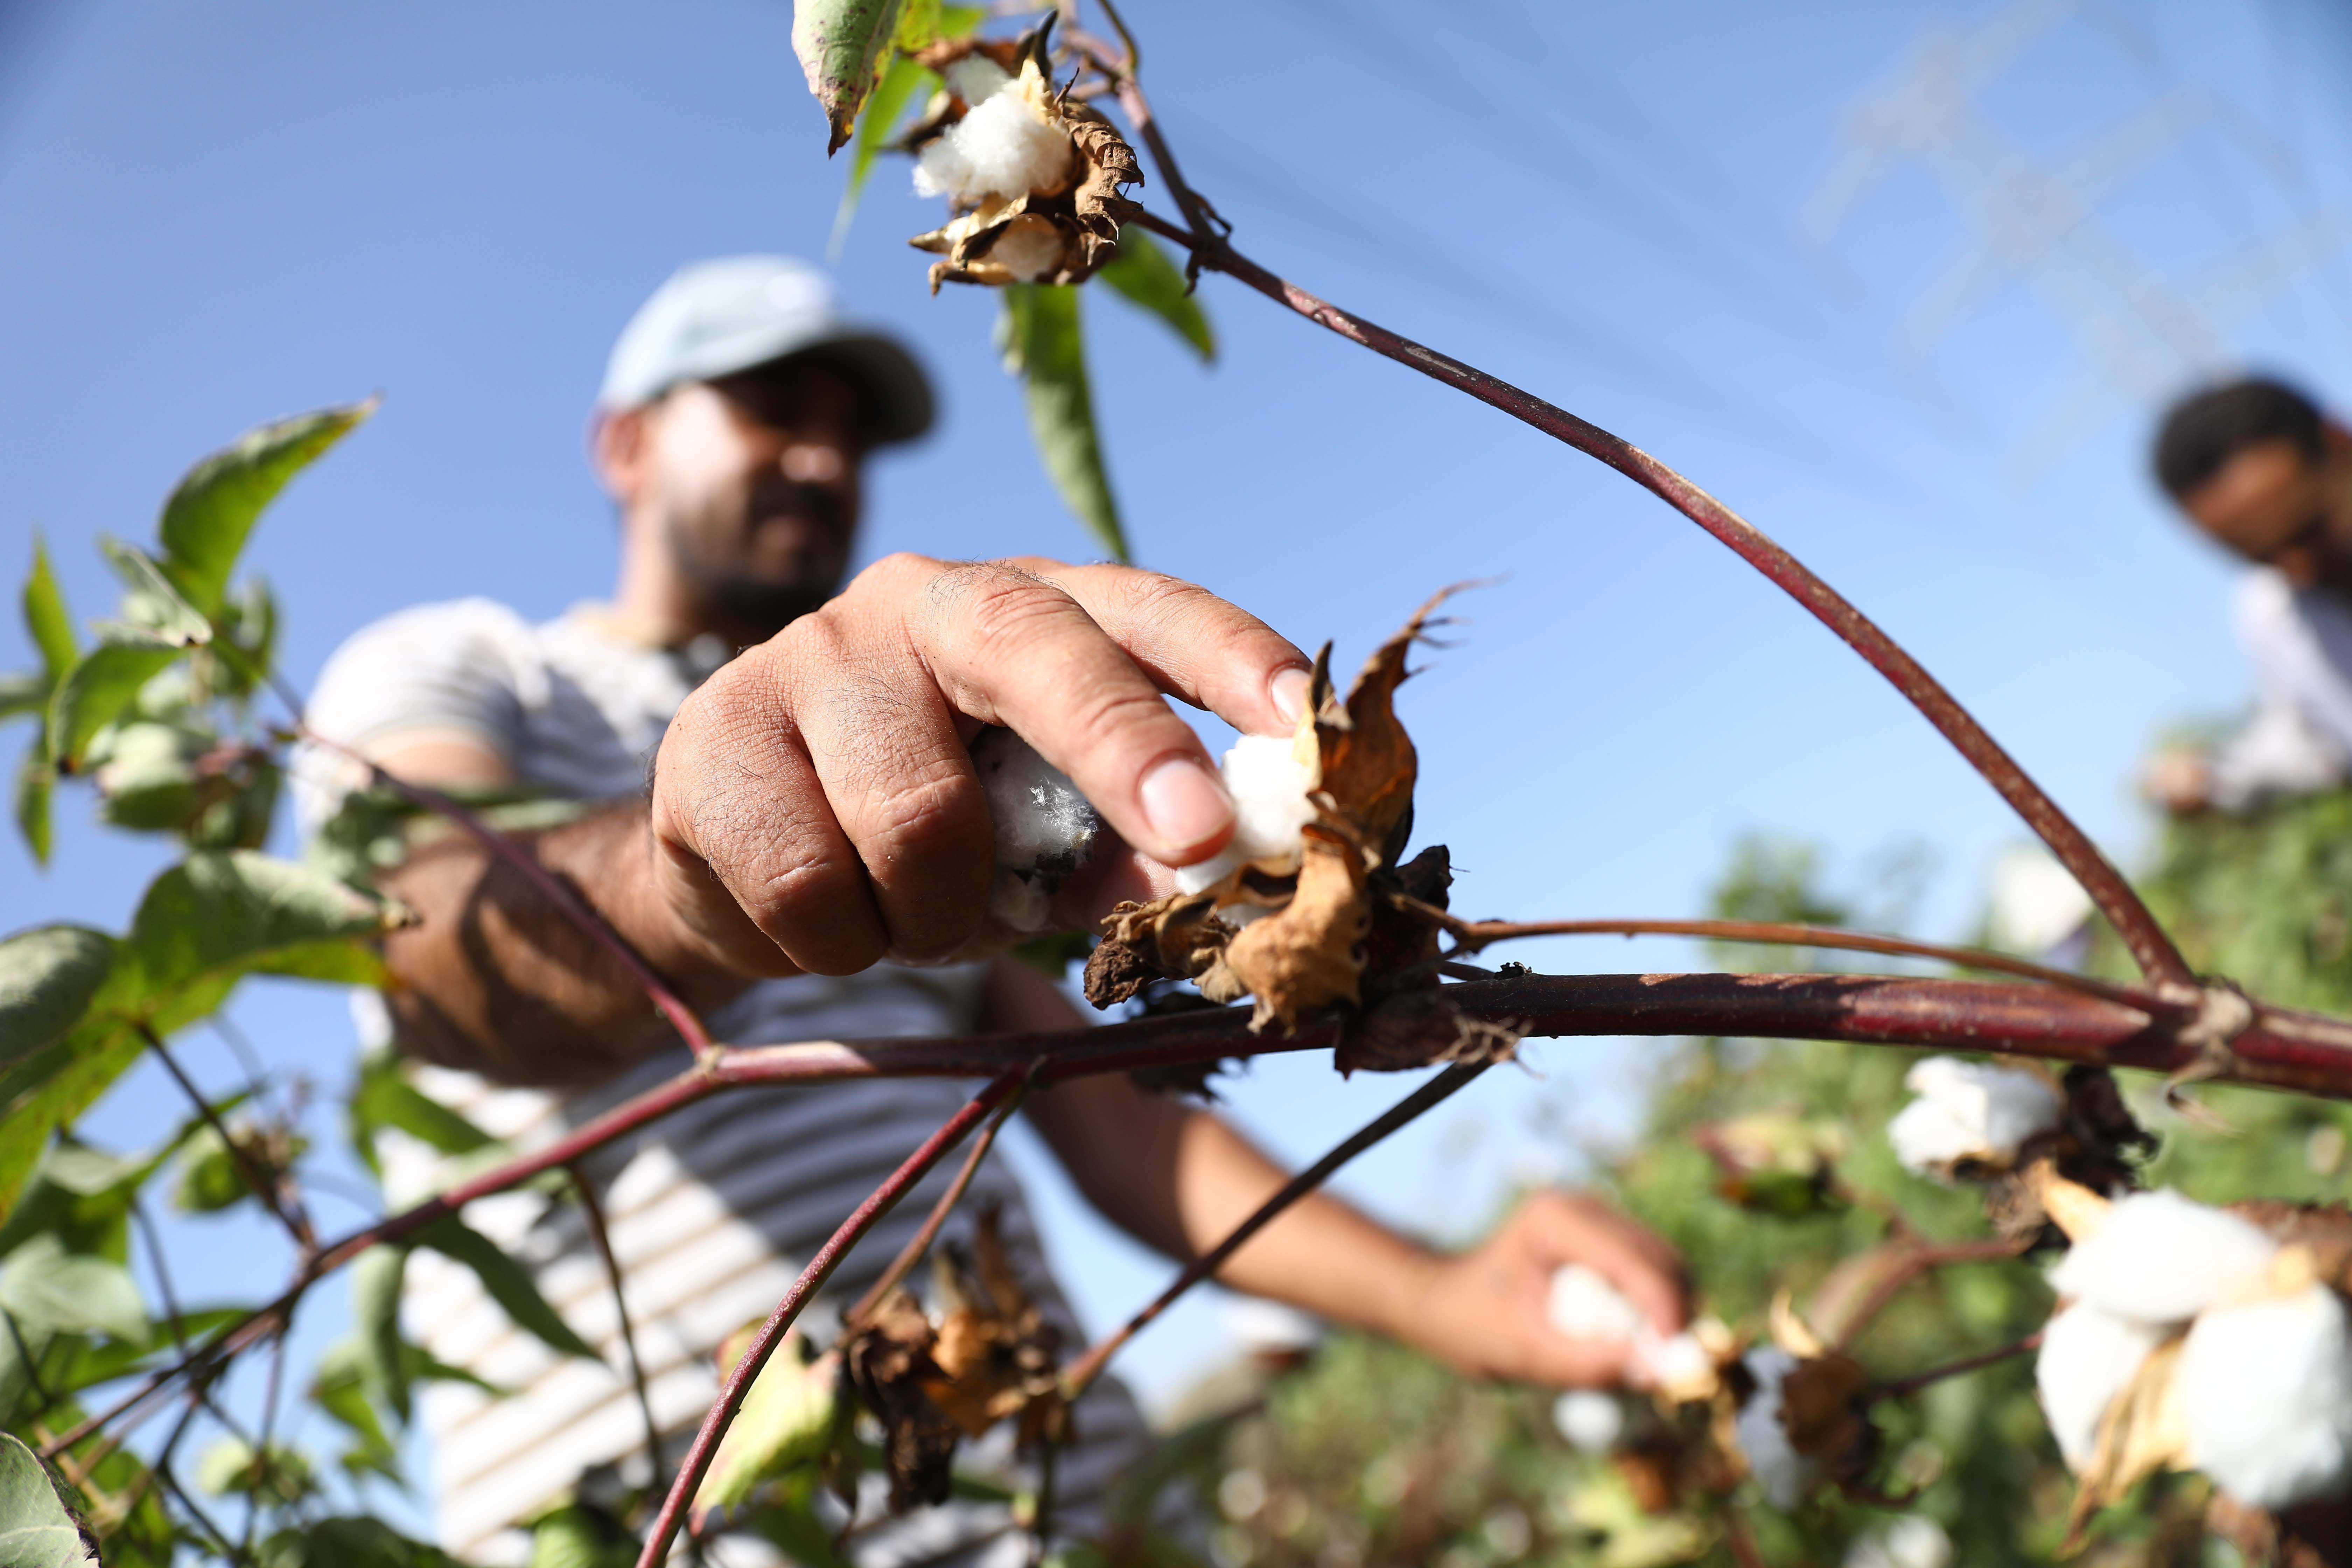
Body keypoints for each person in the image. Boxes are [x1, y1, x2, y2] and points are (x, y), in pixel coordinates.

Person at [295, 256, 1689, 1565]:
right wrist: (692, 886)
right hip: (672, 1519)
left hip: (1074, 1510)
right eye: (772, 407)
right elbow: (424, 952)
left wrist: (1442, 1292)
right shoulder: (466, 672)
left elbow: (1127, 1130)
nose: (825, 458)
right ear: (626, 445)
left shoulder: (920, 790)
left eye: (852, 433)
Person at [2147, 376, 2352, 814]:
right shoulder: (2276, 616)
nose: (2300, 567)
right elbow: (2313, 739)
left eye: (2309, 529)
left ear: (2340, 442)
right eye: (2263, 557)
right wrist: (2215, 777)